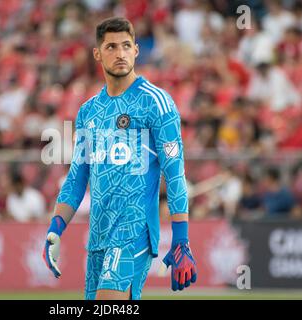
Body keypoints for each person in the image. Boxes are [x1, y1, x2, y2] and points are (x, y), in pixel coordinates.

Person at [42, 17, 197, 300]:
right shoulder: (89, 111)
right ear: (97, 54)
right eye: (111, 47)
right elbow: (78, 177)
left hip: (134, 228)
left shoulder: (156, 102)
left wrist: (181, 239)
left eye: (126, 46)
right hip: (98, 235)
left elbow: (175, 174)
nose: (120, 53)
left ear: (136, 50)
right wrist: (55, 227)